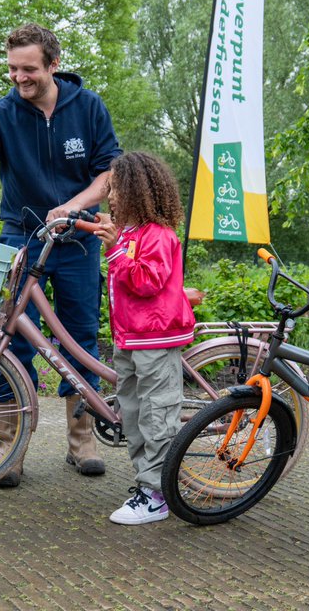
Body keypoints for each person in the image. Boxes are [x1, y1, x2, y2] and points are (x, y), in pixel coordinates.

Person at [0, 23, 121, 486]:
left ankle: (82, 441)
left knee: (79, 338)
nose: (19, 77)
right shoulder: (2, 113)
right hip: (22, 238)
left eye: (29, 69)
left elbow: (111, 171)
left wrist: (73, 206)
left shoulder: (89, 107)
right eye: (13, 69)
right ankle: (9, 449)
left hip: (77, 239)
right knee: (9, 340)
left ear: (53, 64)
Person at [93, 152, 197, 525]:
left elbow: (146, 281)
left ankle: (157, 494)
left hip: (154, 340)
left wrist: (115, 249)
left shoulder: (158, 235)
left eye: (118, 188)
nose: (112, 196)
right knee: (133, 415)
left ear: (138, 191)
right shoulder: (131, 234)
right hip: (131, 340)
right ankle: (146, 483)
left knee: (157, 416)